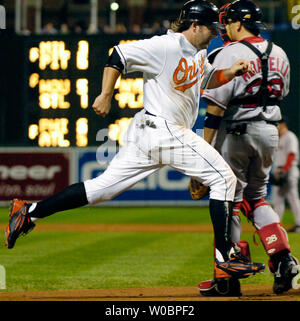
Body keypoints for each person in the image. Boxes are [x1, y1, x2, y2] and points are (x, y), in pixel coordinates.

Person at [5, 0, 264, 286]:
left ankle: (28, 212)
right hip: (163, 129)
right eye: (211, 28)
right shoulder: (164, 46)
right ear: (195, 25)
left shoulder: (197, 52)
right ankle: (224, 257)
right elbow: (117, 54)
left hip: (150, 133)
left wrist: (230, 73)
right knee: (223, 178)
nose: (215, 33)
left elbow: (206, 80)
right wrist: (105, 94)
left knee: (100, 189)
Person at [192, 0, 299, 296]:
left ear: (239, 23)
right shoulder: (280, 52)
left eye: (228, 22)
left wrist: (204, 154)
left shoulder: (229, 52)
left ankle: (227, 278)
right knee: (257, 198)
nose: (225, 27)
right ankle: (283, 260)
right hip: (269, 133)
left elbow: (215, 108)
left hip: (236, 131)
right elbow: (282, 92)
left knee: (229, 201)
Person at [272, 116, 300, 233]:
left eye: (277, 124)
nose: (276, 126)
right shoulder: (279, 138)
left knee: (293, 198)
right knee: (278, 200)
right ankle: (276, 225)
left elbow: (291, 155)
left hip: (289, 171)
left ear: (283, 124)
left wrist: (284, 170)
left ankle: (299, 225)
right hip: (280, 171)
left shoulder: (290, 136)